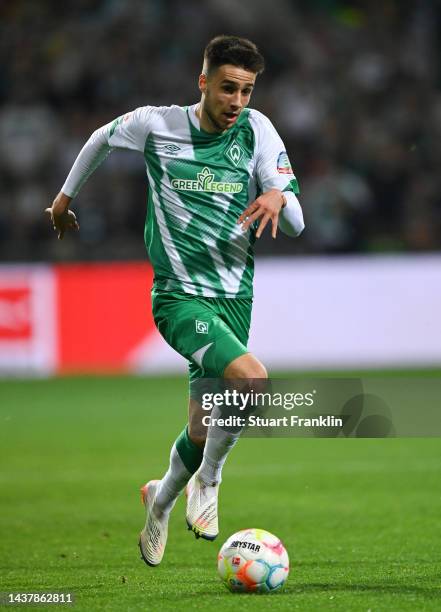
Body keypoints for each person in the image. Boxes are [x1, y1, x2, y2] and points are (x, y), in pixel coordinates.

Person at [45, 35, 304, 566]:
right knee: (253, 380)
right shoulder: (157, 125)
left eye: (247, 91)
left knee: (201, 427)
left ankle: (158, 502)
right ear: (203, 81)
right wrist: (64, 198)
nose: (237, 101)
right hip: (178, 297)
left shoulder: (256, 130)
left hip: (235, 297)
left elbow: (295, 224)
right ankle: (209, 480)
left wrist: (281, 195)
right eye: (228, 88)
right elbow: (100, 138)